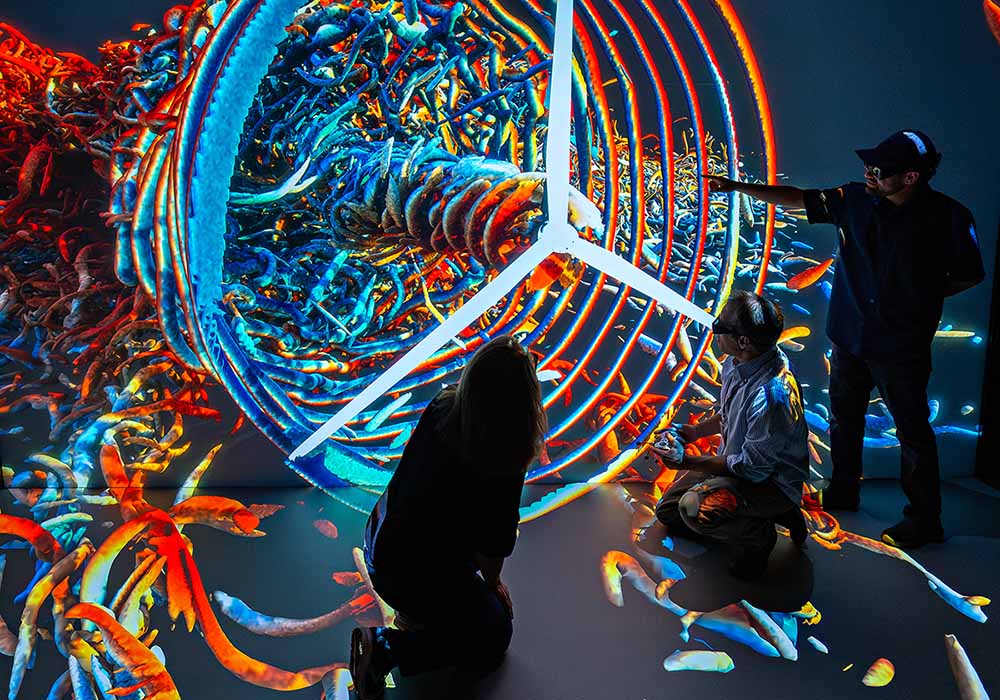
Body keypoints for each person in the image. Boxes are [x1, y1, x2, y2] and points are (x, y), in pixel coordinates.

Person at [703, 130, 985, 548]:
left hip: (900, 346)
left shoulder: (950, 218)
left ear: (911, 177)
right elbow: (799, 197)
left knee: (912, 432)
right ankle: (843, 490)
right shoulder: (853, 199)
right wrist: (740, 187)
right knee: (843, 417)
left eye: (880, 169)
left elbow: (969, 273)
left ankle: (925, 519)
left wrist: (918, 295)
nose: (869, 174)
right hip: (850, 336)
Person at [350, 335, 546, 699]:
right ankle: (386, 648)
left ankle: (418, 613)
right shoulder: (507, 453)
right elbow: (493, 547)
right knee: (494, 634)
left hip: (381, 545)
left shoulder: (444, 405)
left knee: (451, 585)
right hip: (410, 574)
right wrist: (492, 586)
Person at [653, 291, 810, 580]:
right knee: (668, 513)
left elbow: (751, 467)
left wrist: (687, 461)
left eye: (720, 326)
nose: (713, 328)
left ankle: (758, 535)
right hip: (736, 465)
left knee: (692, 510)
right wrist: (695, 432)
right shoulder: (738, 362)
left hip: (766, 482)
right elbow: (729, 412)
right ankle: (777, 514)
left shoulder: (771, 396)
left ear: (743, 342)